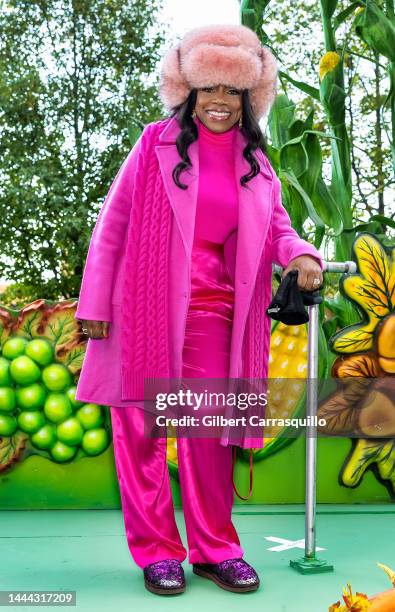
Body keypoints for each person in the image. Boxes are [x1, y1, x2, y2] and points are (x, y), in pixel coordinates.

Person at [74, 24, 324, 596]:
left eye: (232, 91)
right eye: (209, 87)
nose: (219, 101)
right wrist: (94, 303)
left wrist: (303, 253)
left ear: (249, 98)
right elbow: (112, 228)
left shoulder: (257, 163)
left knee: (208, 433)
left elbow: (279, 229)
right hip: (145, 304)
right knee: (140, 430)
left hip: (218, 310)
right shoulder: (153, 143)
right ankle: (158, 552)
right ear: (187, 90)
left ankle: (215, 549)